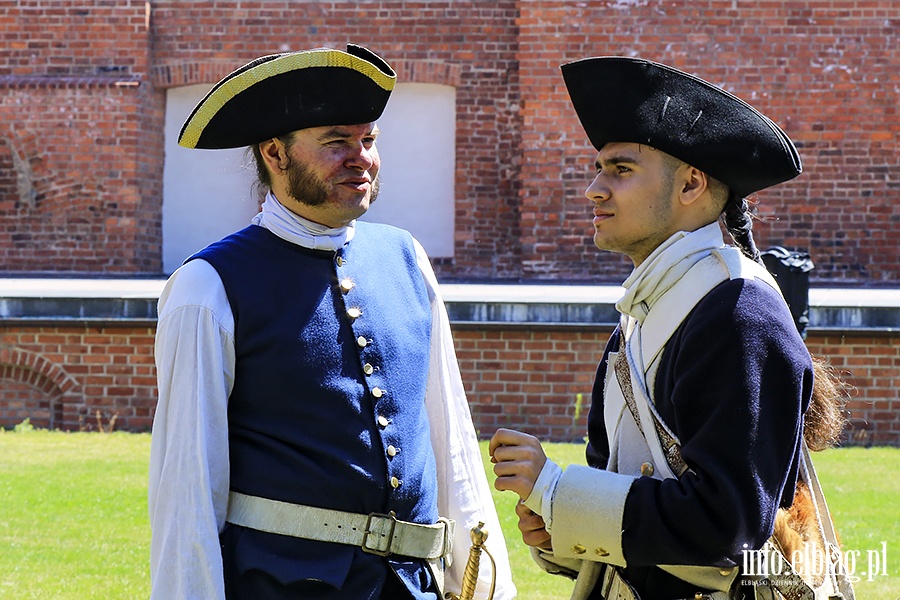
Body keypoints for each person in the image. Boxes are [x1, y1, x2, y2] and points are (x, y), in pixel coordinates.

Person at [149, 44, 514, 600]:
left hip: (414, 588)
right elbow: (186, 492)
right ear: (275, 153)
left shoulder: (407, 258)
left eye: (369, 141)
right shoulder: (208, 285)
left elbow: (451, 439)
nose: (361, 158)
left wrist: (487, 583)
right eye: (337, 142)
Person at [490, 57, 851, 599]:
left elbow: (727, 528)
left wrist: (559, 491)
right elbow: (623, 493)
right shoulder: (643, 316)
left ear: (691, 184)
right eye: (598, 168)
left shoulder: (736, 312)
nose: (594, 189)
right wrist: (557, 527)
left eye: (620, 169)